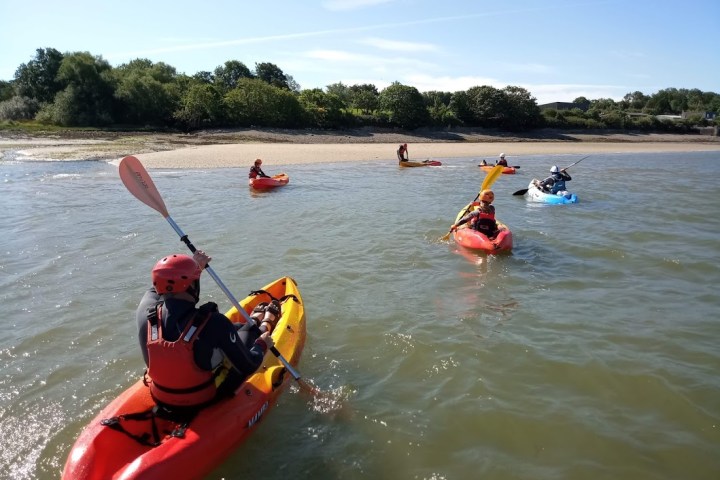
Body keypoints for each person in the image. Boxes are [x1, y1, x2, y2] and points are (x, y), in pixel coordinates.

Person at [136, 251, 279, 411]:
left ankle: (255, 320)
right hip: (204, 398)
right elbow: (249, 366)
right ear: (192, 285)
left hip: (161, 397)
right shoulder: (215, 322)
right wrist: (261, 345)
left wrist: (192, 268)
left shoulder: (144, 312)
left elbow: (157, 287)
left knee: (233, 329)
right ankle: (263, 324)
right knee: (247, 331)